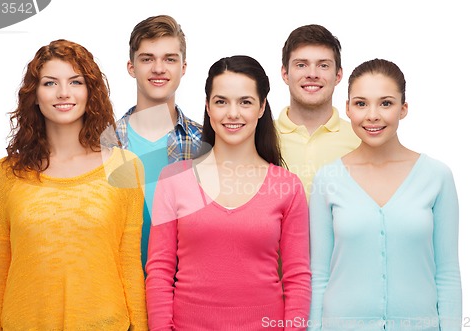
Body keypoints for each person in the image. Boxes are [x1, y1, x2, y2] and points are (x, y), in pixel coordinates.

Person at [0, 39, 148, 330]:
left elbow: (129, 265)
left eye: (75, 81)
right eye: (49, 83)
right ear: (34, 95)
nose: (63, 93)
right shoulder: (3, 175)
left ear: (90, 92)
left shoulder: (125, 167)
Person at [145, 55, 311, 330]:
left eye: (245, 102)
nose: (232, 113)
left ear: (261, 108)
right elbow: (160, 272)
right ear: (208, 107)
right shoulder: (174, 180)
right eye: (221, 102)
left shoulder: (288, 187)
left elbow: (297, 278)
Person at [308, 58, 462, 330]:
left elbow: (447, 274)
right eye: (361, 103)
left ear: (403, 109)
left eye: (386, 103)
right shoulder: (327, 179)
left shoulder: (437, 177)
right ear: (347, 109)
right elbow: (319, 275)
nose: (373, 115)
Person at [115, 15, 203, 273]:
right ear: (131, 67)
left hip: (185, 290)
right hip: (119, 291)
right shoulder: (103, 144)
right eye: (147, 59)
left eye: (169, 59)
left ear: (183, 67)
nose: (158, 68)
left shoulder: (207, 142)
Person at [277, 24, 360, 199]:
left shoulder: (361, 138)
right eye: (301, 65)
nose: (312, 74)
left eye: (323, 65)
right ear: (285, 73)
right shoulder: (259, 136)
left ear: (338, 75)